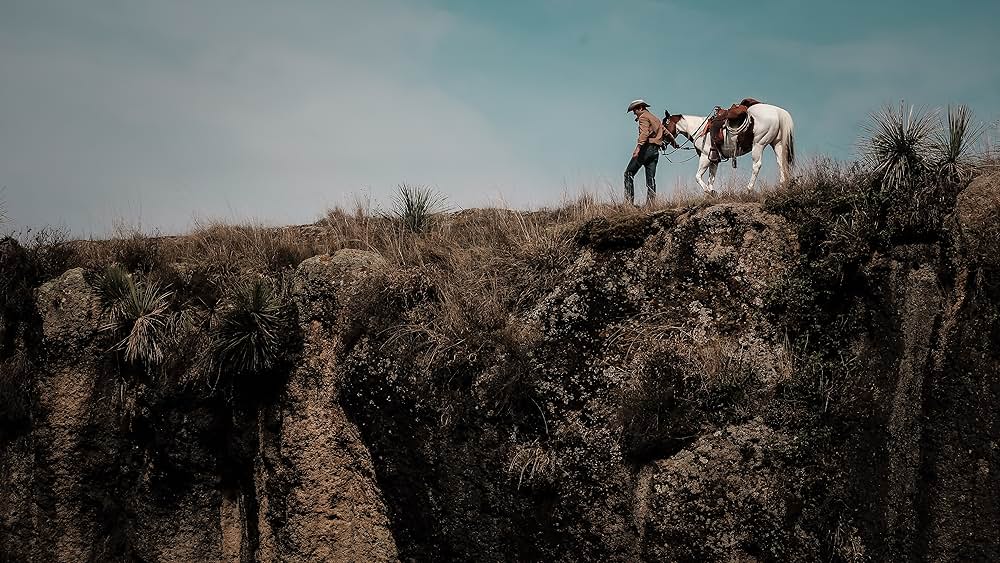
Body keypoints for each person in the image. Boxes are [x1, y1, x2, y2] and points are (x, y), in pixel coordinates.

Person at [624, 99, 664, 205]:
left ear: (640, 108)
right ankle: (651, 204)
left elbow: (644, 133)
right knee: (650, 178)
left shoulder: (643, 117)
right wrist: (674, 143)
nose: (634, 113)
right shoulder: (655, 118)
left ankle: (628, 203)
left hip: (646, 149)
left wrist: (638, 148)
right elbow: (665, 131)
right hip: (655, 151)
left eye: (634, 110)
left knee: (628, 173)